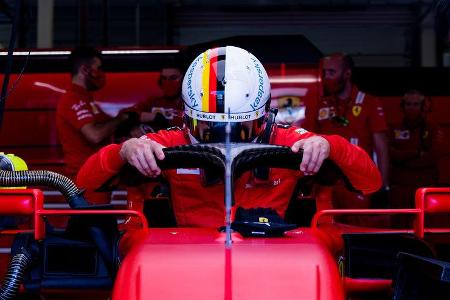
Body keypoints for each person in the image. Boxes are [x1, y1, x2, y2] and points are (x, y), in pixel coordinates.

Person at [77, 46, 382, 228]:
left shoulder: (292, 141)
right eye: (210, 129)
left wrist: (331, 146)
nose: (226, 141)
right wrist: (124, 151)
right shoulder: (167, 143)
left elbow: (370, 182)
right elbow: (86, 183)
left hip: (279, 261)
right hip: (179, 262)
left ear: (265, 116)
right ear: (187, 116)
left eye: (240, 129)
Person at [304, 53, 390, 213]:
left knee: (359, 234)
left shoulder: (369, 103)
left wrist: (383, 187)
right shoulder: (320, 104)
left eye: (331, 72)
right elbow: (308, 142)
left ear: (347, 73)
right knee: (326, 234)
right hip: (326, 187)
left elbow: (382, 148)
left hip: (358, 185)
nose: (326, 77)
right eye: (324, 73)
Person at [56, 46, 129, 203]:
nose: (101, 73)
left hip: (97, 178)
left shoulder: (87, 100)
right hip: (84, 181)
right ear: (85, 70)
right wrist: (121, 118)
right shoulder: (73, 99)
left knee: (96, 224)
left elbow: (108, 125)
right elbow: (94, 135)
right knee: (91, 224)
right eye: (99, 68)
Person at [389, 90, 446, 210]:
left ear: (423, 106)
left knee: (425, 225)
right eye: (408, 104)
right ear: (403, 106)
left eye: (415, 104)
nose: (411, 108)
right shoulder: (394, 128)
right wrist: (416, 153)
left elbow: (433, 157)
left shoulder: (433, 129)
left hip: (425, 189)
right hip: (400, 189)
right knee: (399, 226)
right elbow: (391, 155)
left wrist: (403, 160)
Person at [127, 64, 184, 137]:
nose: (168, 82)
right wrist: (152, 117)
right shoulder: (154, 103)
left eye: (173, 78)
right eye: (164, 78)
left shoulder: (191, 104)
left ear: (183, 79)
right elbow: (127, 113)